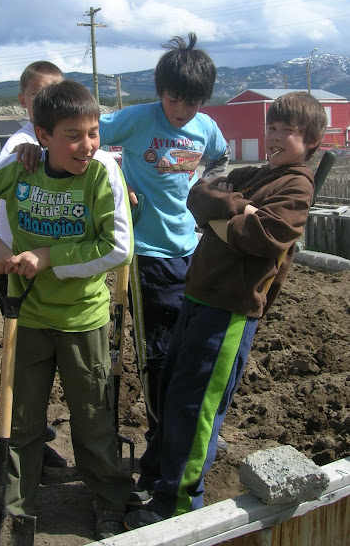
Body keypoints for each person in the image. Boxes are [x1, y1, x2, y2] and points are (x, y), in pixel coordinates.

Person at [123, 91, 327, 529]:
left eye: (287, 131)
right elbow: (196, 196)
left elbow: (261, 236)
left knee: (197, 408)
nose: (274, 136)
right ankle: (158, 477)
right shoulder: (256, 174)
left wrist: (231, 216)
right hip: (197, 296)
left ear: (310, 139)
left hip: (229, 311)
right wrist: (238, 209)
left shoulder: (296, 186)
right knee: (176, 394)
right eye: (271, 127)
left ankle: (177, 505)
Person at [0, 80, 134, 540]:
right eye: (74, 135)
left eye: (93, 132)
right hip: (27, 316)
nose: (88, 145)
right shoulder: (20, 167)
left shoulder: (103, 173)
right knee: (19, 421)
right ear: (42, 136)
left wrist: (48, 256)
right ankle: (14, 509)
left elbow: (117, 249)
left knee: (94, 419)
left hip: (84, 318)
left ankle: (109, 501)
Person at [98, 33, 230, 462]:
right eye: (174, 100)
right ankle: (161, 432)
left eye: (191, 103)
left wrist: (204, 194)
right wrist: (120, 186)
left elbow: (221, 158)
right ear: (160, 93)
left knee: (190, 343)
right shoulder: (136, 120)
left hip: (191, 249)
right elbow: (85, 139)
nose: (181, 111)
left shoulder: (205, 129)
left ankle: (181, 425)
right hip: (148, 254)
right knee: (157, 349)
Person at [0, 60, 67, 471]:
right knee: (24, 358)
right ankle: (19, 440)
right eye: (38, 95)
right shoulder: (18, 144)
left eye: (55, 91)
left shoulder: (64, 137)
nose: (47, 101)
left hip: (55, 266)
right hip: (16, 267)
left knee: (44, 355)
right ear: (24, 101)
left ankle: (34, 436)